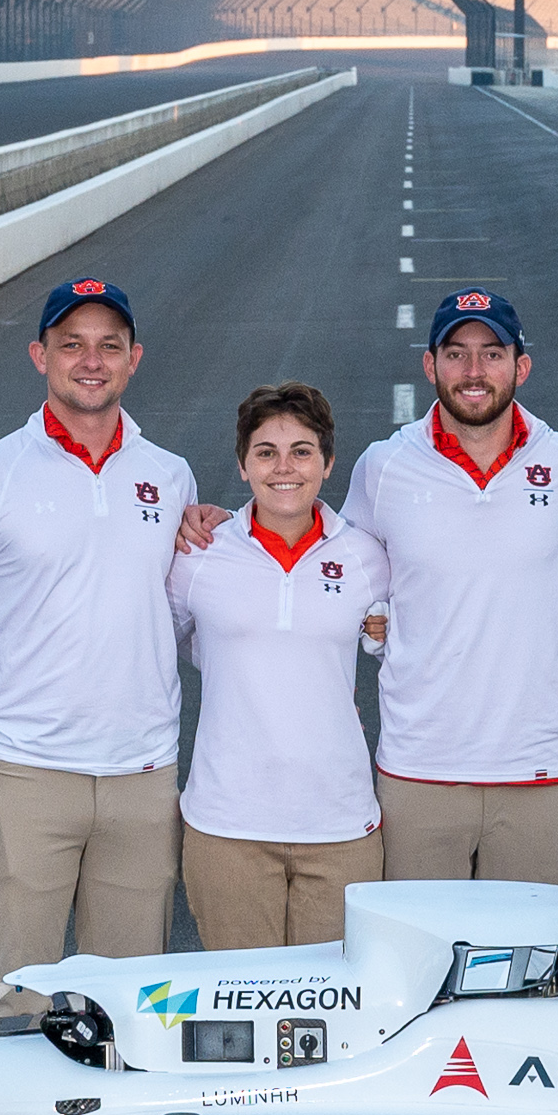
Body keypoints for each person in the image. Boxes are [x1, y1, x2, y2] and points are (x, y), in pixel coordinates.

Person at [0, 275, 194, 985]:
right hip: (24, 773)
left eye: (108, 346)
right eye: (72, 345)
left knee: (131, 1009)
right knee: (15, 1001)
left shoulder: (172, 475)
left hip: (143, 776)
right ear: (40, 355)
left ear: (134, 358)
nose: (90, 360)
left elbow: (183, 619)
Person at [344, 285, 558, 883]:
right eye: (456, 353)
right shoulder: (384, 465)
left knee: (530, 965)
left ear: (521, 366)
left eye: (492, 353)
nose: (474, 370)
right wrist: (219, 522)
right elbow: (337, 557)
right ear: (430, 365)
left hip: (537, 768)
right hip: (419, 767)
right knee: (422, 966)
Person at [166, 382, 390, 947]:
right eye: (265, 452)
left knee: (336, 1016)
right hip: (226, 825)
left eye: (302, 451)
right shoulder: (199, 554)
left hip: (339, 823)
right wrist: (9, 634)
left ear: (328, 463)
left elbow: (412, 643)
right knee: (240, 1015)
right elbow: (134, 640)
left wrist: (380, 633)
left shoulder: (366, 556)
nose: (283, 467)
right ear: (243, 465)